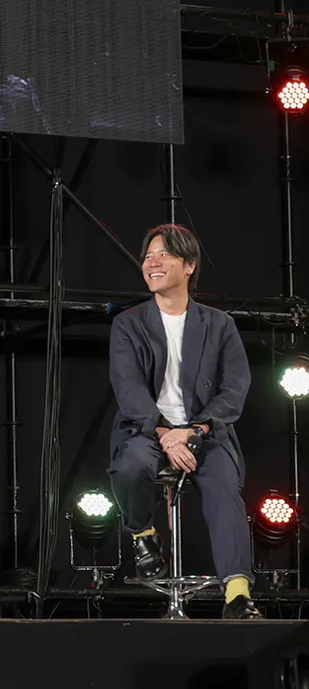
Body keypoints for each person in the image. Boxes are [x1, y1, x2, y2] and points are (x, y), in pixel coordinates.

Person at [108, 224, 260, 619]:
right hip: (148, 429)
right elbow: (128, 389)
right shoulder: (128, 323)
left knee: (224, 488)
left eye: (163, 255)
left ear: (189, 265)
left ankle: (238, 595)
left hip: (205, 432)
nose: (152, 263)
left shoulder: (218, 324)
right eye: (148, 256)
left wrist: (195, 430)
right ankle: (143, 536)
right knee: (129, 467)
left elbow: (235, 387)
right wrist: (166, 435)